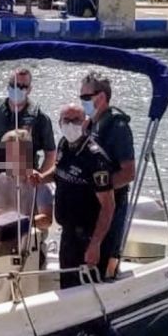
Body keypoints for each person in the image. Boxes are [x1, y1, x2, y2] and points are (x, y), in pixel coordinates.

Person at [32, 103, 115, 289]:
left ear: (85, 122)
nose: (70, 125)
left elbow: (108, 206)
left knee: (86, 291)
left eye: (75, 120)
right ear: (60, 123)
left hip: (89, 235)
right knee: (67, 286)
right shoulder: (64, 145)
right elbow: (59, 169)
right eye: (66, 120)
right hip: (68, 233)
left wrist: (95, 244)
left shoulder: (95, 158)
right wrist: (41, 178)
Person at [79, 70, 135, 279]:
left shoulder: (117, 127)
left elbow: (129, 173)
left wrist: (101, 188)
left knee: (104, 262)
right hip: (90, 206)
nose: (82, 101)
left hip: (111, 203)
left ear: (101, 97)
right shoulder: (91, 123)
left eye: (85, 97)